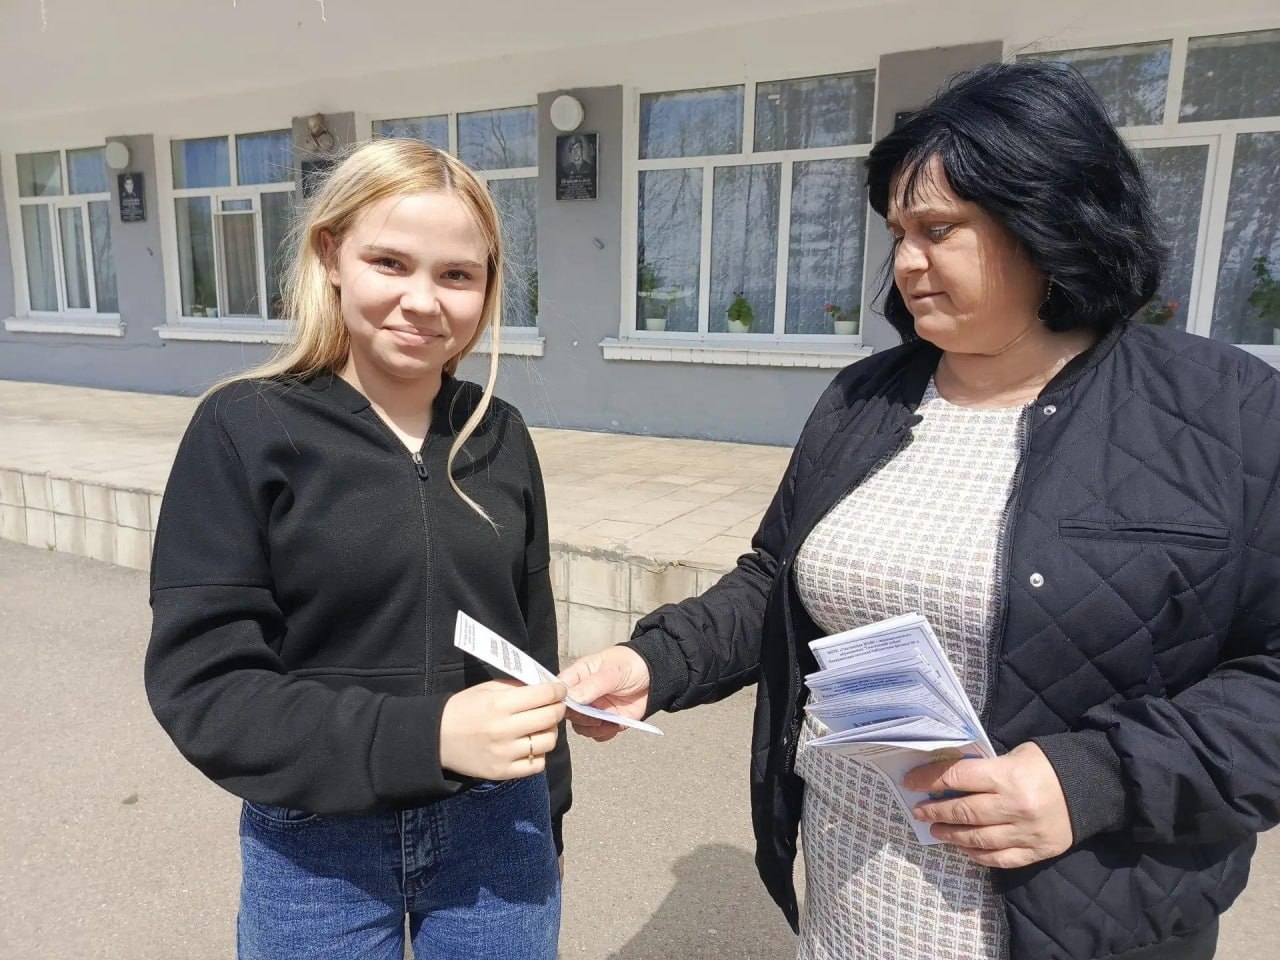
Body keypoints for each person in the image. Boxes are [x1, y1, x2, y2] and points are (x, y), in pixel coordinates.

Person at [560, 59, 1280, 960]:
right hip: (856, 904)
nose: (904, 262)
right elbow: (778, 579)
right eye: (898, 232)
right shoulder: (865, 399)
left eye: (938, 230)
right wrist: (654, 662)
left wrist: (1093, 778)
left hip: (1088, 925)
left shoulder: (1224, 415)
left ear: (1050, 218)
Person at [145, 138, 569, 960]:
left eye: (457, 275)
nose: (423, 301)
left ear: (488, 287)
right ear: (330, 254)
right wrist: (426, 736)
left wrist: (547, 814)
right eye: (390, 263)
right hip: (317, 848)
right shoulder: (244, 428)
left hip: (497, 831)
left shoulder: (500, 435)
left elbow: (532, 652)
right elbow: (206, 688)